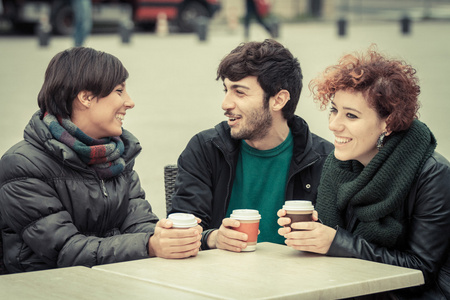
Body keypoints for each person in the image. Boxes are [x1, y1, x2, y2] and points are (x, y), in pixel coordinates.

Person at [0, 47, 202, 274]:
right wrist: (150, 245)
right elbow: (66, 250)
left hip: (110, 282)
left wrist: (175, 236)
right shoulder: (23, 165)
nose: (130, 102)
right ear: (86, 97)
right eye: (119, 91)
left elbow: (139, 224)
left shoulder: (116, 156)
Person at [277, 46, 450, 299]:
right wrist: (312, 235)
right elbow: (335, 242)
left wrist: (336, 243)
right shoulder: (339, 164)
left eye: (351, 116)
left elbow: (422, 270)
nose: (334, 125)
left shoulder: (433, 176)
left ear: (387, 123)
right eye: (334, 110)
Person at [170, 39, 333, 253]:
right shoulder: (205, 149)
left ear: (278, 100)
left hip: (299, 281)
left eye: (240, 92)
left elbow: (342, 238)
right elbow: (179, 232)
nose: (225, 104)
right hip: (218, 279)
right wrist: (214, 238)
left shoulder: (326, 159)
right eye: (226, 90)